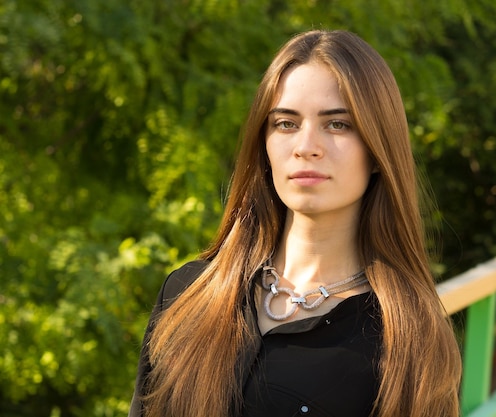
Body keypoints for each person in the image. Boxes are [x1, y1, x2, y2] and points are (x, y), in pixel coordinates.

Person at [129, 29, 462, 417]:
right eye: (286, 123)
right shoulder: (186, 294)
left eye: (337, 124)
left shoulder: (407, 339)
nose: (306, 147)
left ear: (377, 150)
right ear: (264, 144)